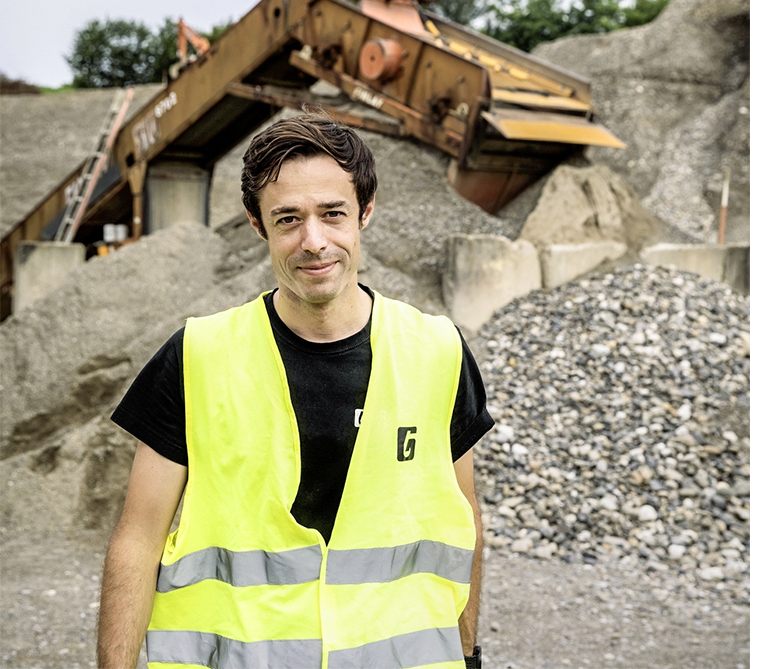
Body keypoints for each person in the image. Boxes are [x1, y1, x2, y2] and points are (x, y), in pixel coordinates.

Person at [97, 113, 493, 669]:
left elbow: (462, 522)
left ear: (366, 211)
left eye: (333, 214)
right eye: (288, 219)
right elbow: (138, 539)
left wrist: (469, 654)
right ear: (257, 225)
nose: (314, 241)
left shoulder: (437, 351)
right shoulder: (196, 357)